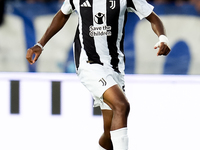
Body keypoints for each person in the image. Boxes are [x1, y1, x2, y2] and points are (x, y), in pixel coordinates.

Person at [26, 0, 171, 149]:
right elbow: (62, 15)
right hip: (89, 63)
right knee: (122, 105)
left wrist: (163, 38)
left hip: (115, 68)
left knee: (109, 134)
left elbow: (153, 18)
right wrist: (40, 44)